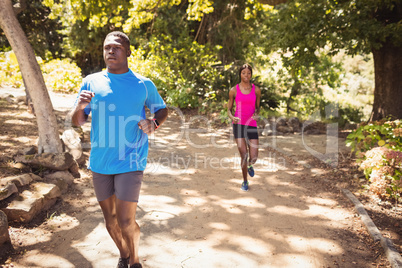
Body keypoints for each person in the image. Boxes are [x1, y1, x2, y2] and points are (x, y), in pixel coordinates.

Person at [70, 31, 168, 268]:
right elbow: (77, 121)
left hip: (130, 160)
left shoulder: (143, 84)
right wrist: (82, 106)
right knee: (110, 222)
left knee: (125, 221)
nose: (110, 51)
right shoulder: (91, 81)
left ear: (128, 51)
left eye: (116, 47)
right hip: (101, 161)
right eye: (106, 48)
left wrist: (152, 123)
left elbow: (162, 110)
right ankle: (123, 255)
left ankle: (134, 262)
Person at [227, 64, 261, 191]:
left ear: (251, 75)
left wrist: (257, 114)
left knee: (254, 157)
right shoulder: (233, 90)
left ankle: (250, 165)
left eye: (248, 73)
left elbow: (258, 107)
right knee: (244, 155)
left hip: (251, 124)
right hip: (239, 124)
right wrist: (232, 117)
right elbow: (229, 110)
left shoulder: (256, 90)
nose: (246, 75)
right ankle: (245, 181)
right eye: (243, 73)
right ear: (240, 74)